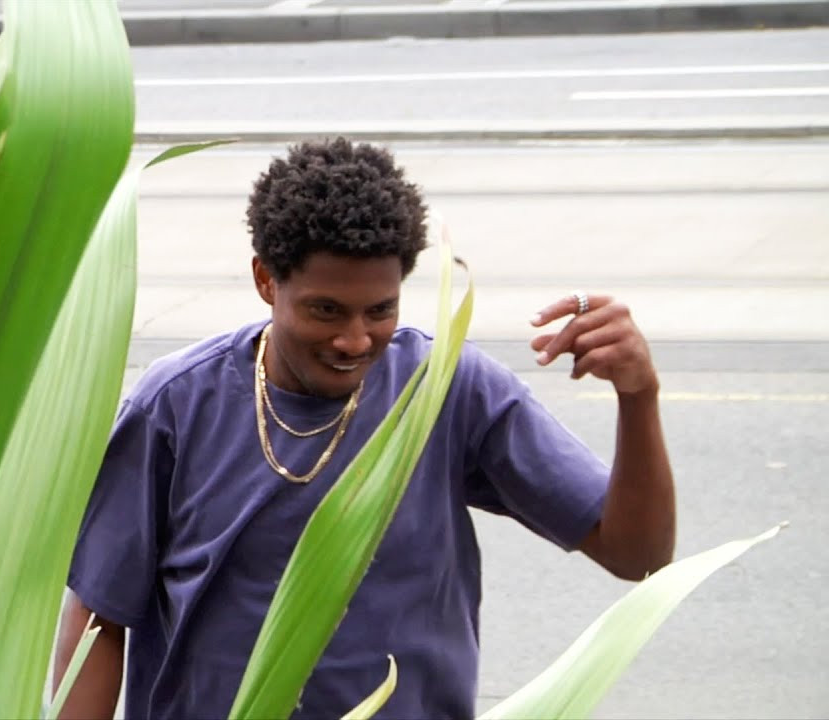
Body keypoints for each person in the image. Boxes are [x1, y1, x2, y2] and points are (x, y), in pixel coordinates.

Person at [53, 138, 675, 719]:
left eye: (381, 311)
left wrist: (638, 395)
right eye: (325, 310)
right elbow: (99, 618)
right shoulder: (178, 404)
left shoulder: (446, 387)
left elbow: (636, 555)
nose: (354, 341)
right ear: (267, 280)